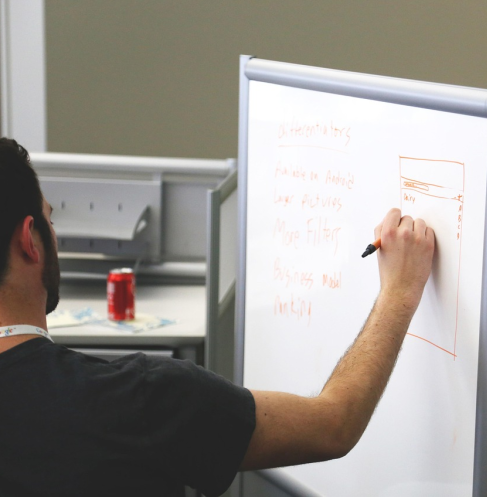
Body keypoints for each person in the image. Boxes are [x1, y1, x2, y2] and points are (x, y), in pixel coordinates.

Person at [0, 137, 435, 497]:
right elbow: (333, 425)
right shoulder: (142, 399)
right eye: (49, 222)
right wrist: (399, 292)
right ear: (29, 241)